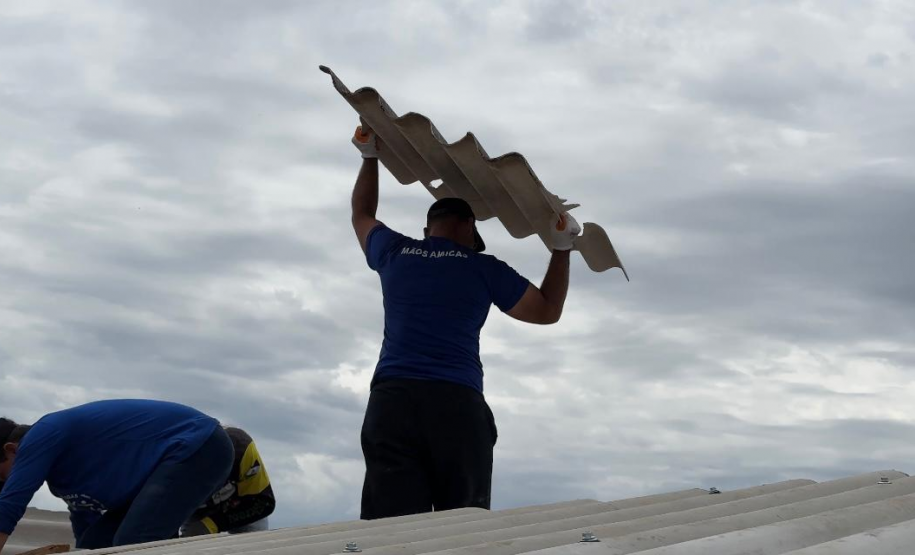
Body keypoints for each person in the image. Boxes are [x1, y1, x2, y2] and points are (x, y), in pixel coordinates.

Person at [349, 126, 581, 519]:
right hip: (456, 406)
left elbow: (362, 214)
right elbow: (547, 311)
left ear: (428, 230)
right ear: (470, 230)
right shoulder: (484, 268)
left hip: (394, 403)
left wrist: (369, 155)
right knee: (462, 531)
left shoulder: (395, 251)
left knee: (390, 534)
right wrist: (561, 249)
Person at [0, 400, 233, 551]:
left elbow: (11, 503)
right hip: (159, 472)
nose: (5, 483)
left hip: (198, 445)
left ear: (11, 450)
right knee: (98, 545)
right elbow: (85, 523)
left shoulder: (44, 433)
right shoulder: (61, 479)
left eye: (1, 477)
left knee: (133, 543)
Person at [181, 426, 275, 536]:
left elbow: (264, 503)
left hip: (243, 503)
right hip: (197, 509)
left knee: (255, 543)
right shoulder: (174, 467)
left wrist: (213, 523)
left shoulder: (243, 448)